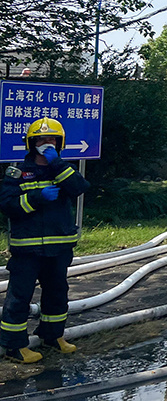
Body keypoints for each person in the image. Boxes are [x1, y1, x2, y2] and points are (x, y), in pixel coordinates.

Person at [0, 118, 89, 363]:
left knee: (57, 293)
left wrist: (56, 163)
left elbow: (79, 187)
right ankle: (14, 346)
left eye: (51, 140)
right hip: (27, 250)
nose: (46, 144)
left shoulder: (63, 169)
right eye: (41, 140)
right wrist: (36, 197)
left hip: (58, 247)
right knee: (19, 297)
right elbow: (7, 205)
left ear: (60, 144)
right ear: (32, 143)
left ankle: (53, 336)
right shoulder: (18, 172)